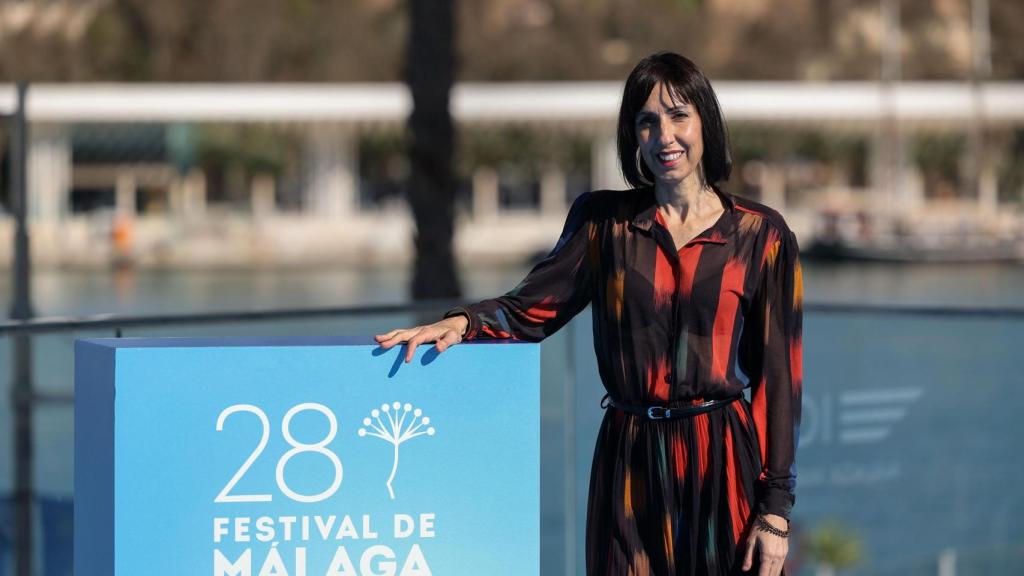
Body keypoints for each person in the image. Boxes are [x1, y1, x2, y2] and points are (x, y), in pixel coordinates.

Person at [375, 51, 802, 576]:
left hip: (722, 461)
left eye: (678, 116)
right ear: (633, 136)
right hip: (630, 459)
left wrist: (775, 511)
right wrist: (462, 323)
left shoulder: (762, 235)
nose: (664, 135)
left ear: (705, 123)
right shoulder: (603, 224)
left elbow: (779, 378)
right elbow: (531, 309)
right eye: (647, 121)